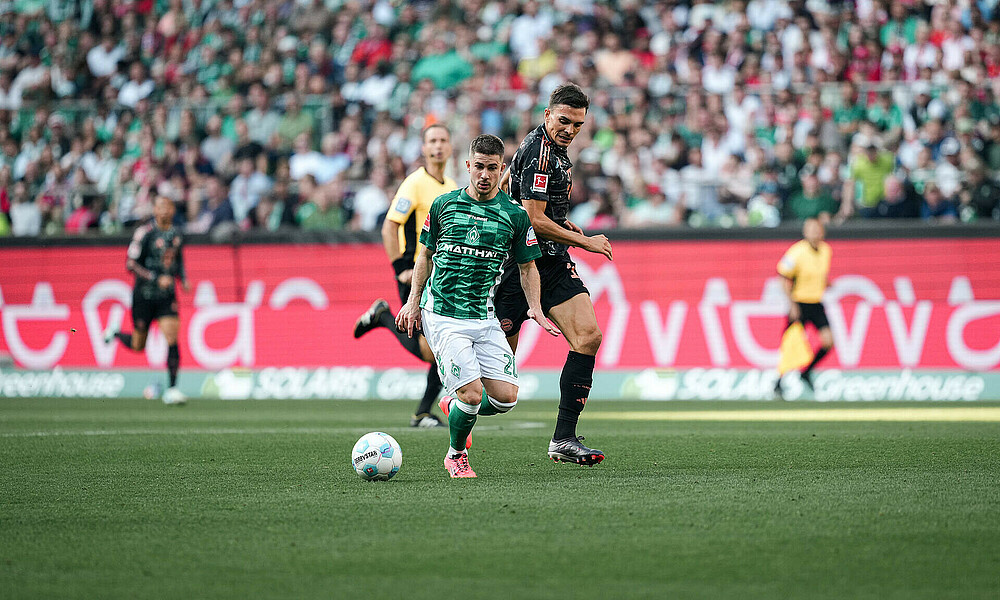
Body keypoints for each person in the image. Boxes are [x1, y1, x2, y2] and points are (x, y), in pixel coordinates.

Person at [395, 134, 558, 478]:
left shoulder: (514, 216)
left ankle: (453, 407)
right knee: (471, 395)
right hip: (442, 314)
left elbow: (528, 267)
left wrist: (536, 308)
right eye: (479, 167)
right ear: (468, 166)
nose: (485, 174)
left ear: (503, 170)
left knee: (505, 399)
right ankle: (455, 454)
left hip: (484, 317)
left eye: (493, 168)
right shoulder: (443, 205)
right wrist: (412, 302)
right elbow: (423, 256)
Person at [495, 82, 613, 466]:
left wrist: (567, 226)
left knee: (588, 337)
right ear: (547, 114)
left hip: (552, 261)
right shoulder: (539, 154)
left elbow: (540, 210)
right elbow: (531, 218)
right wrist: (586, 242)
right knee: (498, 393)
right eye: (563, 121)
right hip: (518, 264)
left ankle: (563, 438)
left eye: (577, 124)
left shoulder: (556, 151)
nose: (570, 129)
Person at [353, 124, 457, 428]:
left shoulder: (451, 186)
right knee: (433, 350)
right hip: (416, 275)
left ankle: (423, 413)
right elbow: (390, 226)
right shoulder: (414, 184)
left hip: (443, 278)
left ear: (450, 148)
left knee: (441, 347)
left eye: (443, 140)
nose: (438, 146)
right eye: (432, 141)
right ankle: (384, 316)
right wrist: (400, 267)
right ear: (424, 149)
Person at [104, 196, 190, 404]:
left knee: (172, 337)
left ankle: (172, 389)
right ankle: (115, 333)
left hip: (166, 296)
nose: (164, 210)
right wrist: (154, 277)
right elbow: (130, 264)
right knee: (137, 345)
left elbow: (177, 260)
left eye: (168, 206)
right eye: (160, 206)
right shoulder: (144, 233)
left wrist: (184, 279)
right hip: (144, 296)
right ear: (154, 209)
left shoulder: (176, 234)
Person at [774, 218, 834, 399]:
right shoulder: (797, 251)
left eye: (817, 229)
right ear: (805, 232)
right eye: (811, 229)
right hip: (799, 304)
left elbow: (819, 275)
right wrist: (791, 304)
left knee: (828, 342)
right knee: (791, 346)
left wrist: (826, 283)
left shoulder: (826, 251)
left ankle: (806, 372)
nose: (815, 232)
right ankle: (778, 383)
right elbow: (783, 277)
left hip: (815, 303)